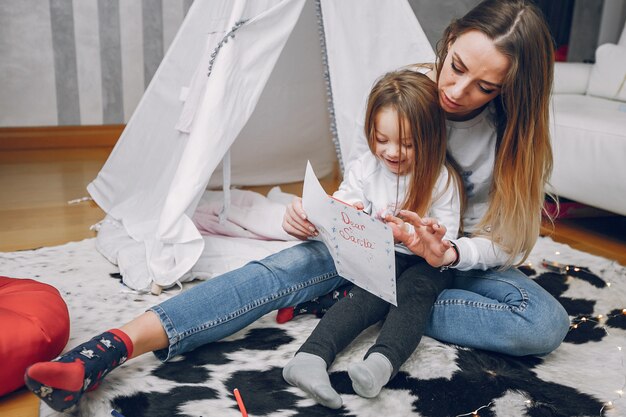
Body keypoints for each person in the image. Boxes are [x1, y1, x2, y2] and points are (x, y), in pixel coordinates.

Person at [25, 0, 570, 412]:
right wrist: (332, 215)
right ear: (447, 42)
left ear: (510, 92)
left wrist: (447, 251)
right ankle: (109, 349)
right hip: (378, 251)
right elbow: (368, 174)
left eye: (484, 87)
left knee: (542, 322)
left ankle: (357, 302)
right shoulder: (413, 90)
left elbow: (506, 243)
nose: (456, 91)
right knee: (284, 268)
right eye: (454, 66)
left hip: (450, 268)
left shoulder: (515, 139)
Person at [282, 70, 461, 409]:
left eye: (408, 144)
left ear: (432, 138)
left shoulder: (441, 179)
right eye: (382, 139)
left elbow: (447, 240)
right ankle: (308, 358)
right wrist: (333, 211)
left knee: (415, 294)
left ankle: (380, 364)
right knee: (364, 296)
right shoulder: (365, 168)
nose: (393, 152)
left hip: (428, 263)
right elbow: (345, 201)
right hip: (380, 255)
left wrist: (417, 237)